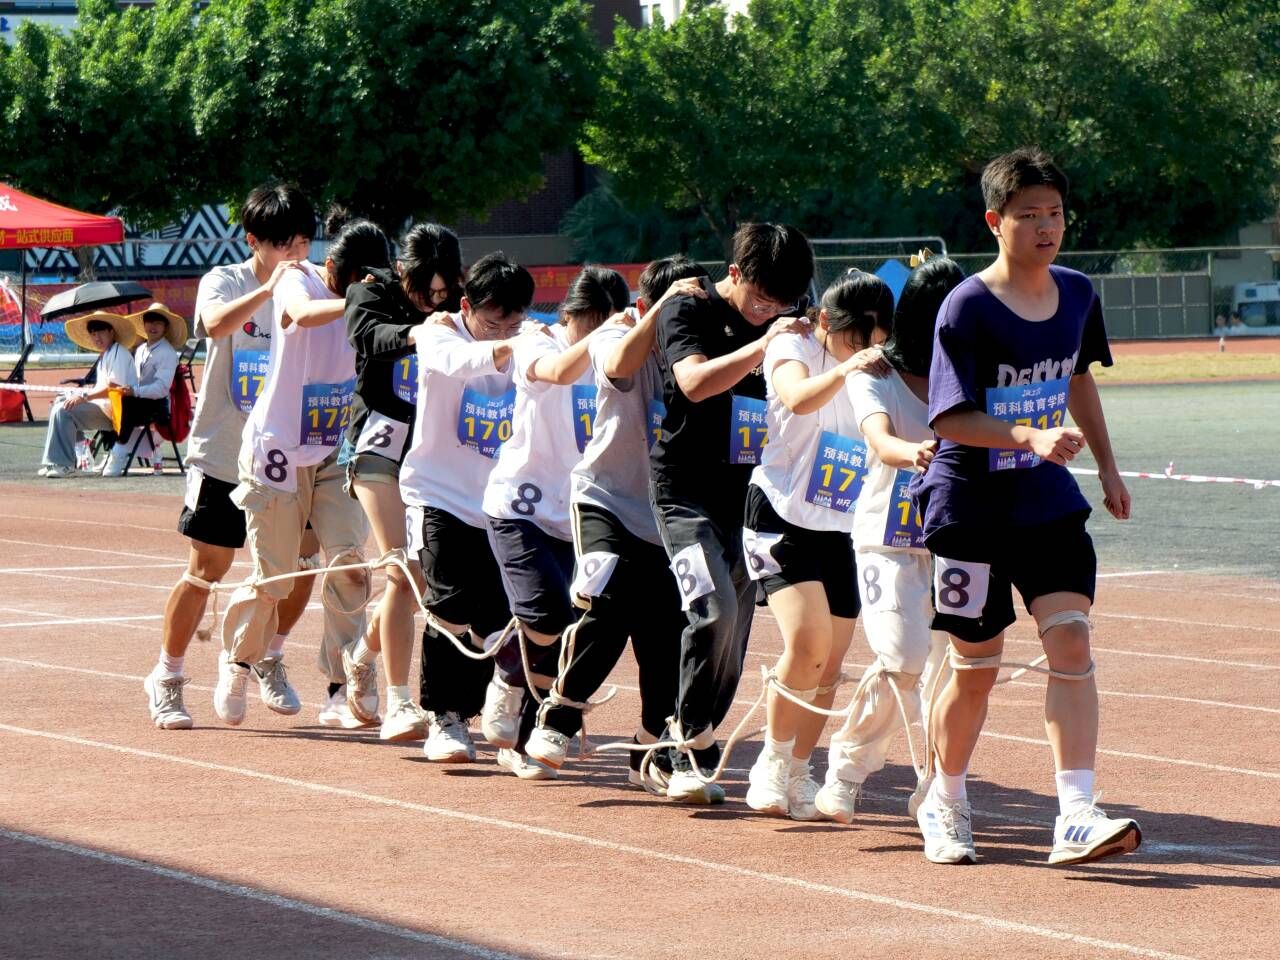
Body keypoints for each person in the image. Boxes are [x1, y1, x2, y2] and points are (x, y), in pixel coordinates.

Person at [911, 147, 1140, 866]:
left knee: (1071, 642)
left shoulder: (1077, 293)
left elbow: (1078, 379)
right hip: (968, 506)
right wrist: (1028, 435)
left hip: (1045, 499)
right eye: (1029, 215)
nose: (1046, 227)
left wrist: (1108, 467)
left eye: (1055, 214)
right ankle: (946, 799)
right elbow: (949, 418)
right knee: (975, 665)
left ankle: (1075, 813)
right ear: (995, 221)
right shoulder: (967, 306)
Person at [143, 184, 322, 731]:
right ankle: (168, 675)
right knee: (209, 569)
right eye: (283, 244)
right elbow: (216, 323)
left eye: (302, 243)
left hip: (288, 456)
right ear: (253, 241)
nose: (295, 254)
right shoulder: (225, 280)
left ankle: (268, 655)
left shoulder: (315, 284)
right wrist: (270, 288)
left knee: (300, 565)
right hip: (223, 452)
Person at [523, 256, 707, 786]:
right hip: (604, 499)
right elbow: (618, 365)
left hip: (669, 514)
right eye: (672, 315)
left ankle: (650, 750)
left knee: (666, 635)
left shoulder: (702, 350)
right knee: (607, 600)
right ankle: (559, 716)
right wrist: (660, 310)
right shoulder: (618, 332)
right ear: (647, 307)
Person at [649, 223, 813, 804]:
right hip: (683, 493)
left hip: (750, 498)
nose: (770, 312)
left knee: (736, 631)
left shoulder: (793, 314)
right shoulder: (689, 307)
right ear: (735, 273)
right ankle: (684, 748)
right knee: (713, 609)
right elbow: (693, 383)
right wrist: (764, 345)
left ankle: (685, 742)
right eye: (761, 300)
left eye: (782, 305)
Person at [215, 216, 392, 729]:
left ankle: (340, 685)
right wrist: (359, 300)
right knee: (275, 575)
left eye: (369, 281)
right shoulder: (298, 277)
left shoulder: (378, 293)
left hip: (335, 448)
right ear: (331, 265)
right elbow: (301, 314)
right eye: (351, 280)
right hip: (278, 449)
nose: (360, 288)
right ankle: (239, 661)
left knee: (351, 566)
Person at [815, 257, 965, 823]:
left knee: (951, 670)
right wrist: (916, 453)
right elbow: (879, 440)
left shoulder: (969, 376)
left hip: (955, 539)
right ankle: (846, 770)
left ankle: (937, 785)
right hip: (887, 538)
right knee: (902, 658)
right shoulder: (874, 374)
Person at [742, 270, 892, 821]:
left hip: (844, 525)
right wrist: (849, 367)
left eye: (877, 339)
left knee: (829, 664)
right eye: (856, 337)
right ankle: (772, 761)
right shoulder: (793, 344)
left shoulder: (879, 364)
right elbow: (797, 398)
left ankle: (800, 769)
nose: (867, 349)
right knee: (807, 643)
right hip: (781, 513)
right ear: (826, 320)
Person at [478, 266, 625, 779]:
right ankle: (505, 671)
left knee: (566, 629)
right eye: (589, 321)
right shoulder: (536, 342)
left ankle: (520, 743)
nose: (597, 331)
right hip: (520, 507)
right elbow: (559, 372)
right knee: (544, 617)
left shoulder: (616, 357)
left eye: (607, 321)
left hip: (580, 513)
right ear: (567, 314)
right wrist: (602, 337)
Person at [399, 253, 535, 763]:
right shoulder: (438, 334)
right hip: (438, 494)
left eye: (513, 322)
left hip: (501, 503)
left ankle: (491, 713)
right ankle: (445, 716)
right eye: (491, 322)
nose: (503, 331)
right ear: (465, 307)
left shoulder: (531, 338)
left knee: (496, 622)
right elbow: (459, 363)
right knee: (448, 605)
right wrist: (510, 345)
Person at [341, 223, 464, 742]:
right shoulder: (369, 292)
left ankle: (362, 653)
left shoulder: (460, 302)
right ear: (401, 271)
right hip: (378, 447)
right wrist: (418, 331)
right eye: (423, 290)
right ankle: (400, 702)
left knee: (424, 582)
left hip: (435, 454)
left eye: (443, 290)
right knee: (402, 569)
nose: (434, 300)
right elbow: (367, 336)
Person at [39, 312, 138, 479]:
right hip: (103, 407)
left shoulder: (118, 353)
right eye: (93, 334)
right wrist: (78, 394)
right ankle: (58, 461)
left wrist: (84, 398)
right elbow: (102, 387)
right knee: (58, 402)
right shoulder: (107, 354)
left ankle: (64, 464)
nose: (96, 337)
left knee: (63, 410)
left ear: (111, 332)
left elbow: (114, 388)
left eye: (100, 332)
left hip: (115, 413)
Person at [102, 303, 184, 477]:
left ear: (165, 327)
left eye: (158, 323)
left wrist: (134, 391)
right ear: (144, 325)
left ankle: (119, 452)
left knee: (126, 405)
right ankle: (111, 448)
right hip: (139, 401)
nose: (153, 327)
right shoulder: (140, 349)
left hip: (158, 407)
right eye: (150, 322)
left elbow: (161, 389)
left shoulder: (168, 353)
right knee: (110, 401)